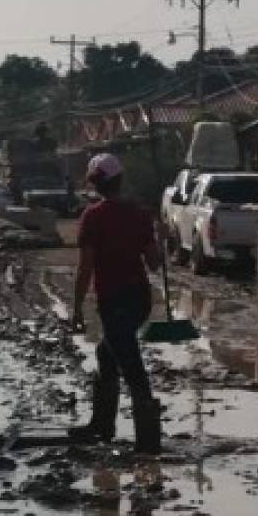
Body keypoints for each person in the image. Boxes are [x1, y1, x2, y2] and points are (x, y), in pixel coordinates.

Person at [69, 153, 163, 454]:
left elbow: (86, 268)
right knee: (107, 353)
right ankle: (102, 426)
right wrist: (158, 245)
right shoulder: (139, 214)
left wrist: (76, 306)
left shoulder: (93, 216)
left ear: (96, 183)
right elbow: (153, 263)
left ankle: (148, 440)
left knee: (129, 362)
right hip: (138, 299)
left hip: (113, 299)